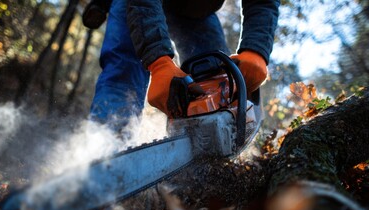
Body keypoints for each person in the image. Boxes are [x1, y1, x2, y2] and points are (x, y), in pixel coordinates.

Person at [83, 0, 280, 132]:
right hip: (137, 2)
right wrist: (159, 63)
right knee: (124, 74)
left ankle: (211, 155)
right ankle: (107, 147)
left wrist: (256, 50)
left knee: (218, 83)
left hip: (196, 9)